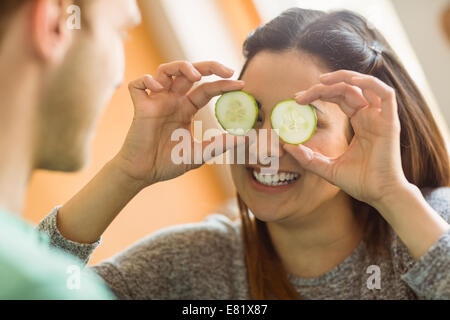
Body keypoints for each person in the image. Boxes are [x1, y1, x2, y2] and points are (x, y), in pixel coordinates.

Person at [38, 8, 450, 299]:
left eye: (301, 121)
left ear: (363, 135)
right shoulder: (191, 265)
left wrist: (393, 195)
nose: (265, 145)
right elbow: (23, 285)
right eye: (250, 115)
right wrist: (127, 172)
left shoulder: (431, 225)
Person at [0, 0, 241, 299]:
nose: (118, 80)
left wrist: (128, 172)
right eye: (120, 33)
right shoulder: (43, 287)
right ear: (54, 23)